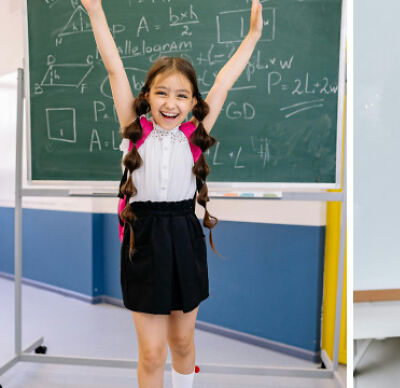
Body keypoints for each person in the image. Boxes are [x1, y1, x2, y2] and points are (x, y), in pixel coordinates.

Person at [82, 0, 263, 387]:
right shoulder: (136, 130)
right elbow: (114, 68)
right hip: (142, 239)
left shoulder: (192, 137)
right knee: (151, 352)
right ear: (147, 96)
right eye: (162, 93)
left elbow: (224, 82)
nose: (171, 103)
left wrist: (253, 36)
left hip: (183, 233)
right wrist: (96, 11)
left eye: (182, 96)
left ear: (194, 103)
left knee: (182, 342)